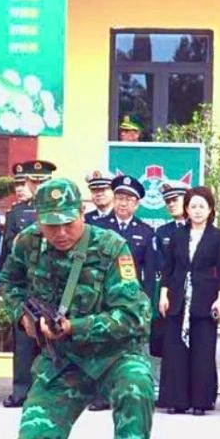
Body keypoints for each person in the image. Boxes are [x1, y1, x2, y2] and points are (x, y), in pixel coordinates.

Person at [0, 178, 154, 439]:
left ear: (82, 212)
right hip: (62, 360)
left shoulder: (111, 247)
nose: (62, 233)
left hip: (115, 355)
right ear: (38, 219)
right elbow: (9, 282)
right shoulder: (27, 243)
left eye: (69, 223)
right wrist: (21, 316)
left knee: (136, 387)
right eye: (52, 225)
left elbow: (133, 316)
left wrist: (75, 327)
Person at [157, 186, 220, 415]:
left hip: (205, 298)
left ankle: (200, 401)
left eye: (202, 206)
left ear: (210, 209)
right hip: (177, 297)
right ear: (186, 208)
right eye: (193, 206)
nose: (197, 211)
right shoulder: (177, 234)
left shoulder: (218, 236)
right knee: (175, 350)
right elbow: (168, 268)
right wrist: (163, 293)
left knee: (202, 350)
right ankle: (177, 400)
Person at [87, 174, 156, 412]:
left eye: (129, 199)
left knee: (130, 348)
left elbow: (150, 271)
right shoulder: (99, 228)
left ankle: (128, 394)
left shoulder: (145, 232)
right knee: (102, 345)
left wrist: (145, 303)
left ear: (137, 204)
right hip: (103, 296)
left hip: (130, 300)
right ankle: (101, 395)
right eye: (120, 198)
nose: (123, 203)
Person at [2, 160, 56, 408]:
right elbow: (9, 249)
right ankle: (21, 391)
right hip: (27, 282)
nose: (38, 186)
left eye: (43, 181)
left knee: (53, 339)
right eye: (34, 182)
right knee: (24, 339)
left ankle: (50, 391)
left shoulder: (59, 210)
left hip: (55, 282)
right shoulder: (17, 212)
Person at [150, 181, 188, 367]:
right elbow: (160, 267)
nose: (171, 204)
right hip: (170, 295)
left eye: (175, 199)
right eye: (168, 201)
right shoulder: (162, 232)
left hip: (193, 295)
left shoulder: (199, 228)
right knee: (170, 348)